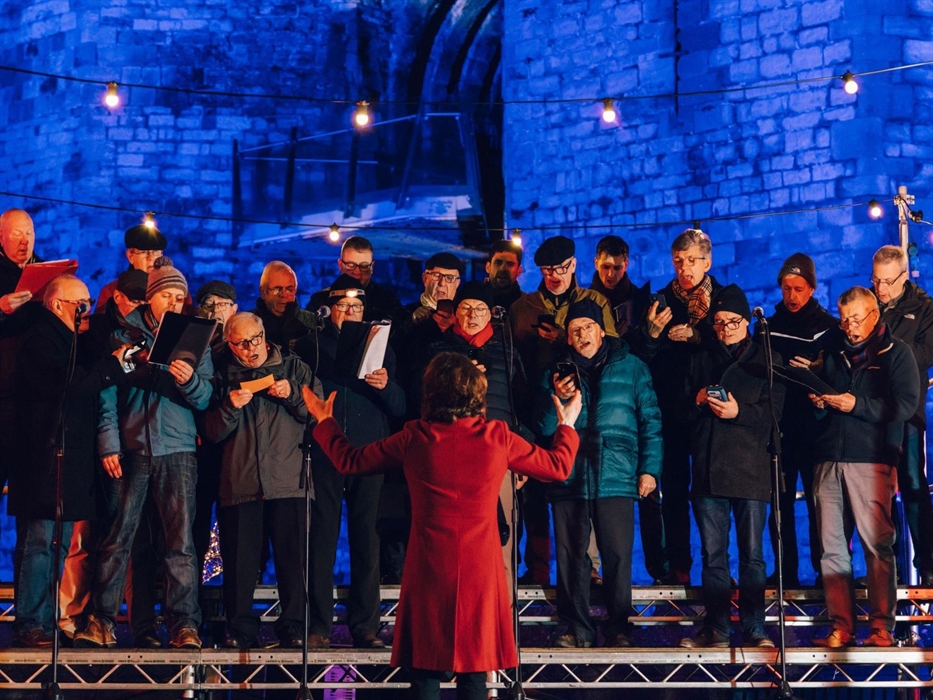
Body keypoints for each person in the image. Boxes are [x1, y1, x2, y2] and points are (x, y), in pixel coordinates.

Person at [302, 352, 582, 700]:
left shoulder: (415, 437)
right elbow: (557, 467)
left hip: (430, 565)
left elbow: (349, 460)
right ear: (476, 395)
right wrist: (566, 425)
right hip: (480, 568)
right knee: (475, 673)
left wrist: (325, 421)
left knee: (425, 672)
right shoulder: (497, 436)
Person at [74, 257, 213, 650]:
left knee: (180, 543)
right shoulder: (123, 335)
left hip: (178, 449)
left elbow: (206, 398)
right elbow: (106, 396)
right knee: (118, 537)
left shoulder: (194, 338)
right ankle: (101, 621)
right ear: (151, 298)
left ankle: (184, 625)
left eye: (179, 295)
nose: (174, 300)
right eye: (166, 294)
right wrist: (109, 444)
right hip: (133, 447)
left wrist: (190, 382)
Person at [10, 275, 127, 647]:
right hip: (42, 460)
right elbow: (62, 385)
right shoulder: (41, 340)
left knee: (56, 545)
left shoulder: (73, 342)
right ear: (60, 304)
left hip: (63, 463)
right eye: (82, 303)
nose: (87, 309)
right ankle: (31, 621)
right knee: (40, 544)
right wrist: (108, 367)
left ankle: (44, 620)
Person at [540, 299, 662, 648]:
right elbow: (543, 426)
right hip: (569, 475)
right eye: (575, 330)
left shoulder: (632, 367)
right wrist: (556, 400)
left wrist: (649, 469)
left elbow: (651, 421)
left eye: (588, 327)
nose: (582, 335)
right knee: (571, 554)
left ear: (601, 329)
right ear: (568, 337)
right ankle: (575, 627)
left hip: (617, 473)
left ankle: (620, 625)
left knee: (617, 554)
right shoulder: (555, 372)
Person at [293, 274, 406, 649]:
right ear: (330, 309)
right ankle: (319, 625)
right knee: (321, 538)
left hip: (369, 451)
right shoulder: (312, 346)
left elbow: (400, 406)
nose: (352, 312)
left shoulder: (380, 346)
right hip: (326, 450)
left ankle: (365, 626)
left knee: (366, 540)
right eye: (345, 307)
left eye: (358, 307)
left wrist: (385, 385)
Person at [809, 286, 920, 648]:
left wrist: (855, 404)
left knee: (877, 546)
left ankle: (880, 628)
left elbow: (903, 406)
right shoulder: (832, 352)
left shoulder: (896, 354)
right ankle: (840, 626)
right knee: (831, 549)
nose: (849, 327)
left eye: (856, 319)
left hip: (872, 462)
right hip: (828, 459)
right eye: (844, 319)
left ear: (875, 315)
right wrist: (818, 401)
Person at [204, 312, 322, 649]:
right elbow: (211, 431)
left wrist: (292, 396)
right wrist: (228, 406)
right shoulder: (219, 372)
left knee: (293, 561)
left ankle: (294, 626)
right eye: (241, 343)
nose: (250, 348)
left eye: (255, 339)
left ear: (264, 334)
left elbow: (318, 416)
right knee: (240, 564)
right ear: (230, 344)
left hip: (289, 481)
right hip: (241, 483)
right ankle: (240, 629)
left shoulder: (293, 367)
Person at [680, 285, 784, 649]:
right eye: (720, 322)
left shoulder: (765, 358)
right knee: (713, 556)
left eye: (733, 322)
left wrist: (740, 412)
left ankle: (755, 626)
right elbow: (679, 414)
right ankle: (717, 626)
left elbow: (776, 413)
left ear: (748, 323)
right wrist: (695, 401)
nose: (725, 329)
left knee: (753, 556)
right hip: (708, 470)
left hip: (751, 470)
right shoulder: (700, 358)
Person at [509, 234, 616, 585]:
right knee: (535, 493)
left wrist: (563, 341)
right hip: (536, 407)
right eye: (547, 270)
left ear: (574, 266)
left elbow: (609, 349)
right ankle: (537, 567)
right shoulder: (523, 308)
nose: (554, 275)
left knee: (582, 489)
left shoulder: (593, 300)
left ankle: (591, 569)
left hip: (583, 407)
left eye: (561, 268)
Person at [419, 281, 530, 593]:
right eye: (465, 308)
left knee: (504, 539)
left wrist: (522, 457)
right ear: (454, 313)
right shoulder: (437, 351)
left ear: (490, 314)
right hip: (451, 458)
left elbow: (521, 407)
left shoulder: (507, 350)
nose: (472, 315)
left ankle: (504, 626)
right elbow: (424, 404)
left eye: (480, 309)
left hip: (499, 456)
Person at [58, 267, 149, 641]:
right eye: (136, 300)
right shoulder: (94, 332)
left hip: (122, 446)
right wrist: (107, 442)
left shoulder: (143, 337)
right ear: (120, 299)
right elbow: (101, 393)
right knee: (83, 537)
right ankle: (70, 615)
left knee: (116, 535)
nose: (141, 306)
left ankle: (104, 617)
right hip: (91, 444)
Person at [587, 234, 668, 582]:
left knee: (649, 493)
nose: (611, 273)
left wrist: (650, 336)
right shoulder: (584, 300)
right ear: (596, 263)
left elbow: (652, 361)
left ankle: (659, 567)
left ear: (627, 264)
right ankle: (592, 570)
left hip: (633, 399)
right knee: (593, 498)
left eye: (618, 267)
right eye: (606, 266)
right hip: (597, 408)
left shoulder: (641, 299)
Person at [645, 228, 722, 585]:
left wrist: (698, 334)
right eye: (678, 261)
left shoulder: (723, 300)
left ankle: (716, 566)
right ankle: (678, 565)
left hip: (710, 411)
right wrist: (653, 335)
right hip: (672, 410)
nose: (684, 268)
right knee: (673, 491)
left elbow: (730, 345)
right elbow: (648, 357)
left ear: (707, 261)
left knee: (710, 492)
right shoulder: (661, 301)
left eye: (692, 261)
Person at [762, 253, 837, 587]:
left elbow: (838, 376)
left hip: (816, 429)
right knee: (780, 506)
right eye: (787, 288)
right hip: (780, 427)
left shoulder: (827, 327)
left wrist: (818, 370)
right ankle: (785, 571)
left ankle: (824, 571)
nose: (791, 296)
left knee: (820, 503)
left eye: (798, 289)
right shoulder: (770, 327)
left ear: (811, 289)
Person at [871, 245, 933, 587]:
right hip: (874, 412)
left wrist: (891, 356)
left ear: (903, 278)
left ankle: (927, 561)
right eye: (876, 281)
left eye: (887, 282)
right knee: (878, 489)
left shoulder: (924, 309)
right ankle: (887, 566)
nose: (880, 289)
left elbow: (926, 353)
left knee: (911, 482)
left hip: (907, 413)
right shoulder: (868, 306)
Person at [0, 208, 41, 495]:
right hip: (3, 391)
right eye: (16, 234)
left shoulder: (45, 270)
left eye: (29, 233)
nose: (24, 241)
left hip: (38, 392)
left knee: (32, 487)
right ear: (1, 237)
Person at [307, 235, 409, 336]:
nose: (357, 271)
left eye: (364, 266)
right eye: (351, 265)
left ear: (372, 267)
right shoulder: (320, 300)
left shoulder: (388, 301)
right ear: (340, 265)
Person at [95, 223, 173, 313]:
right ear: (130, 256)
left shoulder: (175, 289)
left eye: (155, 251)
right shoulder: (111, 290)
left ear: (162, 254)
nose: (151, 258)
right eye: (143, 252)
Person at [252, 260, 318, 349]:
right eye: (277, 289)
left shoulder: (313, 324)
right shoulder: (247, 324)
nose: (283, 295)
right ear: (263, 292)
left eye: (289, 289)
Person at [484, 239, 524, 311]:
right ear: (488, 267)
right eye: (498, 263)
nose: (503, 269)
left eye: (510, 264)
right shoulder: (471, 302)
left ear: (519, 270)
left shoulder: (529, 305)